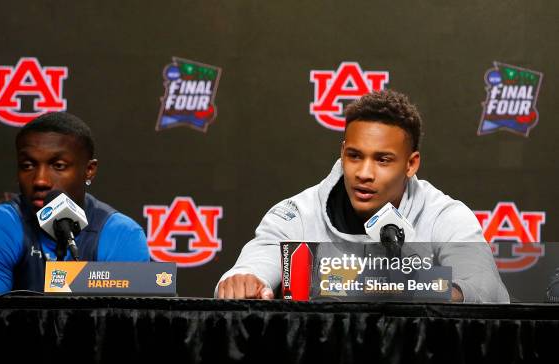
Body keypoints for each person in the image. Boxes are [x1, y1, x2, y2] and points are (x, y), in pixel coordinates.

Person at [216, 89, 509, 303]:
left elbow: (487, 290)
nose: (364, 173)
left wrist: (427, 289)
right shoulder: (297, 213)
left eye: (383, 160)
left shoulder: (444, 215)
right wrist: (244, 281)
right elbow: (254, 265)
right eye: (354, 156)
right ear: (343, 152)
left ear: (411, 163)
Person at [0, 112, 150, 295]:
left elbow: (128, 325)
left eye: (58, 166)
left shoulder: (121, 235)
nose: (40, 180)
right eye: (28, 166)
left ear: (89, 170)